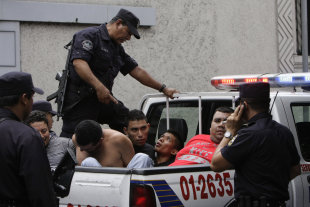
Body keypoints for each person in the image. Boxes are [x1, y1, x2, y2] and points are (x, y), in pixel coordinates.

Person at [61, 8, 178, 138]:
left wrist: (163, 88)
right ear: (118, 23)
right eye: (128, 33)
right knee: (77, 141)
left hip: (104, 99)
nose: (128, 38)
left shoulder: (117, 48)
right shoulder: (89, 35)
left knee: (128, 124)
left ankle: (134, 156)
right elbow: (79, 63)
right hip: (80, 101)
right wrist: (99, 87)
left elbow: (137, 71)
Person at [211, 83, 301, 207]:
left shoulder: (248, 135)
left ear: (243, 105)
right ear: (267, 103)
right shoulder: (284, 132)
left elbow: (216, 164)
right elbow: (296, 170)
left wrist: (230, 131)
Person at [0, 71, 56, 207]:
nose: (32, 103)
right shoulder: (26, 136)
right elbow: (41, 193)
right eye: (32, 98)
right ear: (24, 98)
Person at [73, 120, 153, 168]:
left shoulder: (119, 140)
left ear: (100, 141)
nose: (81, 150)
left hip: (119, 185)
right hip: (92, 188)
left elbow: (132, 169)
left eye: (87, 149)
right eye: (80, 147)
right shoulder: (76, 138)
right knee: (89, 162)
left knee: (142, 158)